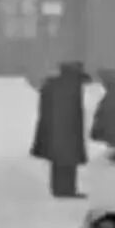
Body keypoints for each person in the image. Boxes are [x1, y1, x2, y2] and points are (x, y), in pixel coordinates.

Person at [31, 61, 89, 199]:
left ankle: (59, 189)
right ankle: (66, 190)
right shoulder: (71, 86)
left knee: (59, 161)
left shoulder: (54, 85)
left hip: (57, 130)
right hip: (68, 130)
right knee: (68, 162)